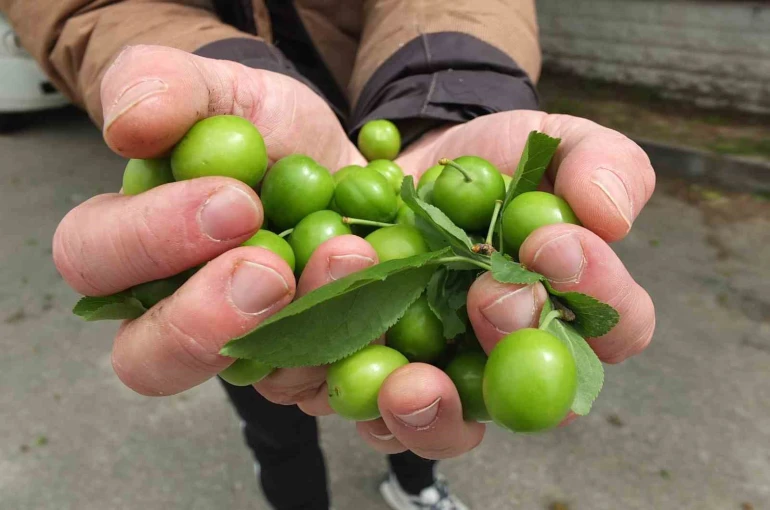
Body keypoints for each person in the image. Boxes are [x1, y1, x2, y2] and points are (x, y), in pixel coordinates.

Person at [0, 1, 657, 509]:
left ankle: (415, 482)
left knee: (418, 391)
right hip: (273, 240)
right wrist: (211, 74)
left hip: (401, 106)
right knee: (261, 363)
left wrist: (450, 93)